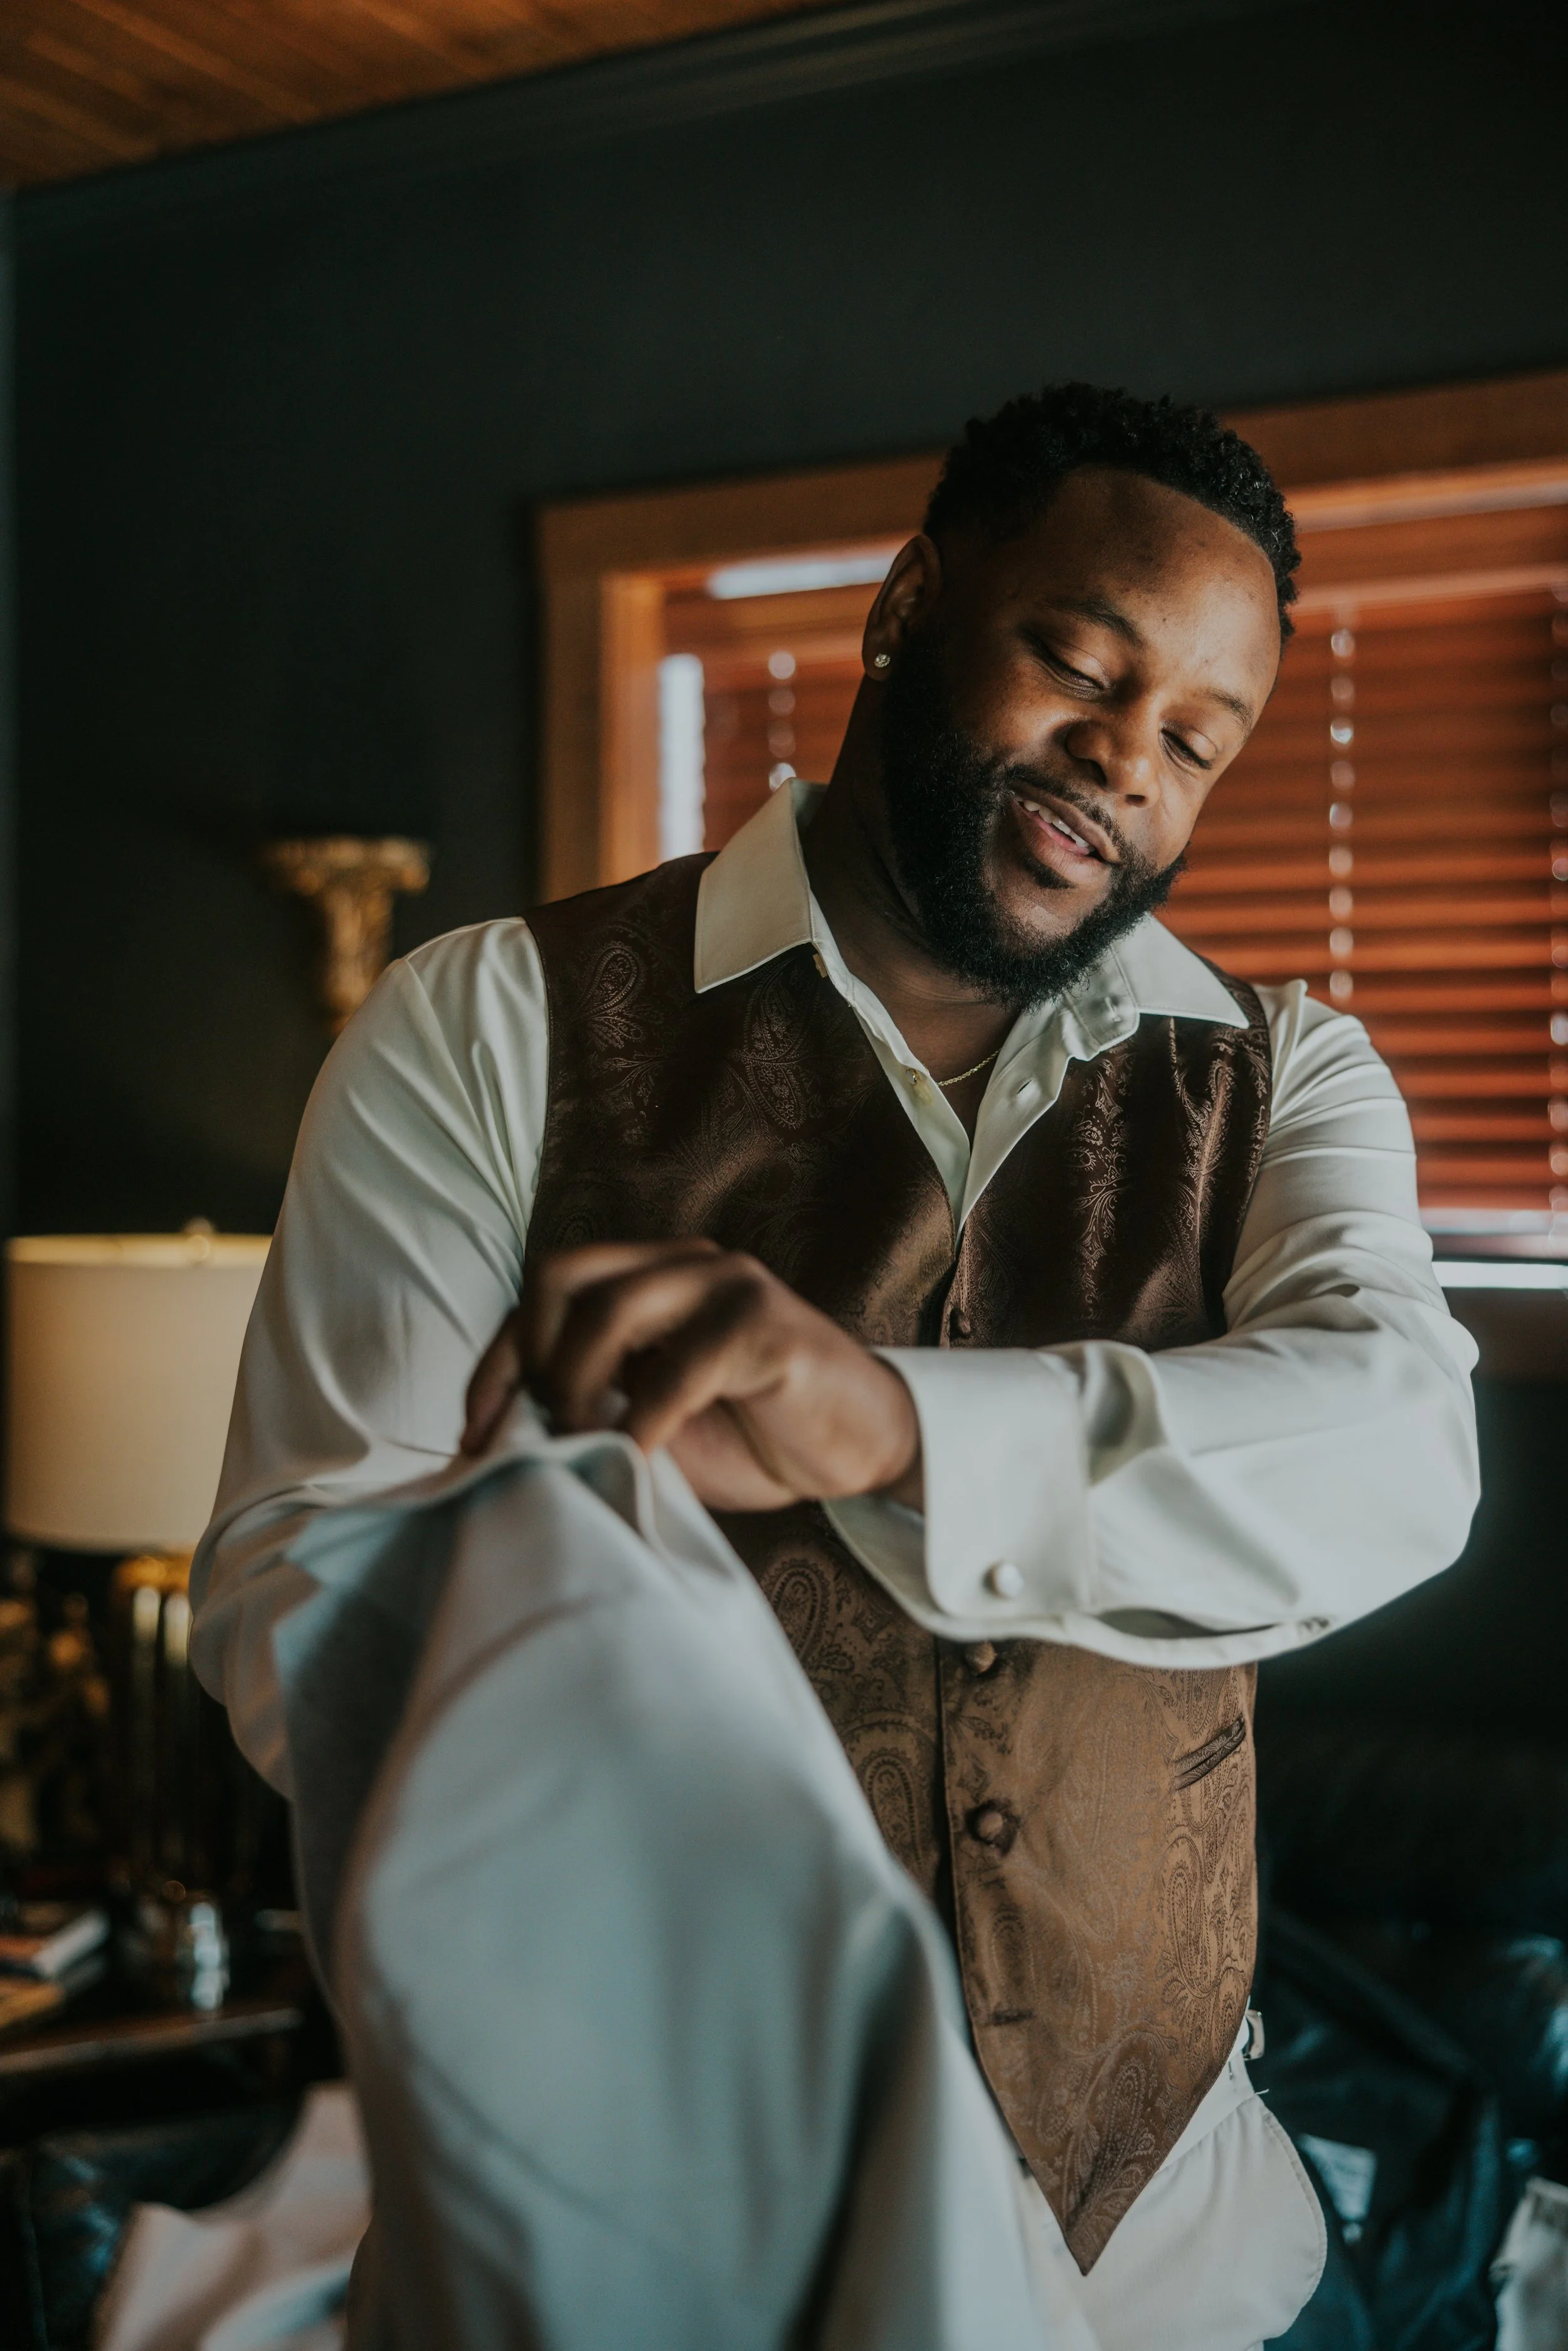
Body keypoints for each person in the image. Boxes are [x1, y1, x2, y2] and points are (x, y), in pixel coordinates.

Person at [193, 382, 1481, 2348]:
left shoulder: (1289, 1073)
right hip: (660, 2268)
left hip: (1182, 2277)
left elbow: (1394, 1445)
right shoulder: (485, 1024)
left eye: (1199, 740)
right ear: (906, 602)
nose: (1125, 760)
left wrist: (886, 1427)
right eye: (1081, 660)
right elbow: (306, 1598)